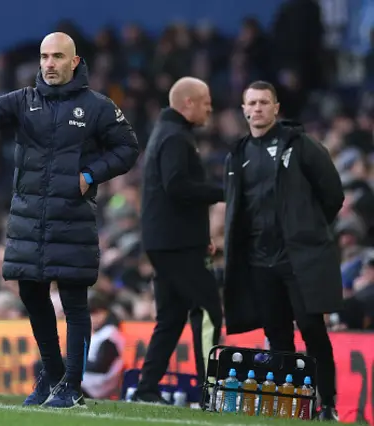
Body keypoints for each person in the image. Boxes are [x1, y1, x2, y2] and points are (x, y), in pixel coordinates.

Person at [0, 32, 139, 408]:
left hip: (72, 221)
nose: (49, 63)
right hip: (28, 221)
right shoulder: (24, 101)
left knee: (74, 304)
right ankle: (52, 375)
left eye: (57, 57)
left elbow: (127, 148)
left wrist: (90, 175)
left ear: (74, 61)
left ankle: (72, 385)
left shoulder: (98, 107)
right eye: (44, 56)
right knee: (33, 299)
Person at [223, 80, 343, 421]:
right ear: (244, 109)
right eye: (252, 103)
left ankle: (327, 403)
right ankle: (290, 404)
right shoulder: (238, 154)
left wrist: (308, 228)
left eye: (264, 102)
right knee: (276, 335)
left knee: (312, 329)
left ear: (276, 108)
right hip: (260, 261)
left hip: (299, 259)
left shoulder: (301, 146)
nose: (258, 108)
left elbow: (333, 194)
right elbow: (236, 207)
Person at [133, 77, 224, 404]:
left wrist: (201, 236)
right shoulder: (175, 137)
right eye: (206, 101)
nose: (210, 108)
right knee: (209, 312)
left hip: (168, 241)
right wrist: (224, 192)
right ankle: (211, 392)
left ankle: (146, 389)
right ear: (188, 103)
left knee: (171, 317)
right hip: (177, 243)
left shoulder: (166, 133)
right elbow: (177, 187)